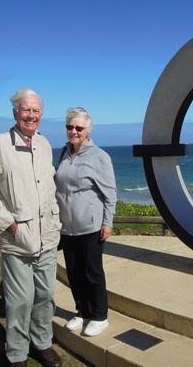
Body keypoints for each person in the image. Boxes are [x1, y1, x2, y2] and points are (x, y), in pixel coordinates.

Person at [0, 87, 62, 367]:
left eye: (36, 111)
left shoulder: (45, 144)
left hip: (47, 236)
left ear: (42, 115)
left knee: (45, 296)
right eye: (26, 110)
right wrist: (8, 223)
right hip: (18, 239)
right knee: (19, 301)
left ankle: (42, 343)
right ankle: (16, 354)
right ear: (15, 112)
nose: (31, 115)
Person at [55, 107, 117, 337]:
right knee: (73, 271)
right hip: (67, 227)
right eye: (70, 127)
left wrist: (107, 223)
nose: (74, 131)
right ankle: (82, 311)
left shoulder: (99, 157)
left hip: (91, 226)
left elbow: (110, 193)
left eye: (79, 128)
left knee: (92, 272)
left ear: (88, 130)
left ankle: (100, 316)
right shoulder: (63, 153)